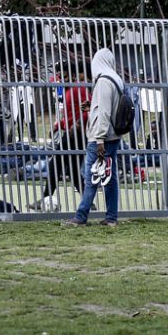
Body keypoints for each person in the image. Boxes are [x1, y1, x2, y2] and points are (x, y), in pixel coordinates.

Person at [65, 48, 125, 228]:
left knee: (90, 174)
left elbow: (105, 112)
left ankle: (81, 216)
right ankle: (111, 217)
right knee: (109, 177)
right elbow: (108, 106)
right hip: (113, 135)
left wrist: (99, 139)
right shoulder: (116, 79)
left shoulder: (104, 81)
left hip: (102, 137)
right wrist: (92, 106)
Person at [30, 64, 90, 211]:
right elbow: (72, 113)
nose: (61, 78)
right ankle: (89, 203)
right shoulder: (70, 89)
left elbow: (90, 109)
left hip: (77, 134)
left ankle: (45, 198)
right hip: (72, 133)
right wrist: (58, 125)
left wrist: (76, 125)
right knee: (74, 172)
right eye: (59, 75)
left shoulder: (79, 88)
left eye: (64, 75)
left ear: (75, 75)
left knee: (54, 165)